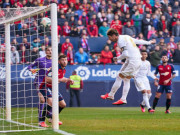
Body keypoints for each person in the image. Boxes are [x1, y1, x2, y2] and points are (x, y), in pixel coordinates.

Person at [101, 28, 155, 105]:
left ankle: (111, 95)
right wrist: (149, 42)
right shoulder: (126, 36)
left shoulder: (120, 41)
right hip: (134, 60)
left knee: (120, 77)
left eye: (110, 37)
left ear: (113, 35)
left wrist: (117, 58)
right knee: (126, 79)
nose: (110, 39)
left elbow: (126, 54)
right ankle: (122, 99)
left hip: (133, 61)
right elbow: (138, 41)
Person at [42, 55, 74, 125]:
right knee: (50, 102)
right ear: (59, 61)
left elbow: (61, 78)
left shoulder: (64, 69)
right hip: (46, 86)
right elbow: (47, 79)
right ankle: (42, 120)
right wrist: (59, 80)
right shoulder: (55, 68)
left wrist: (68, 79)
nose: (64, 61)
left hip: (54, 88)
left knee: (63, 104)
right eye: (63, 60)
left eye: (65, 60)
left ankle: (52, 118)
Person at [27, 46, 52, 127]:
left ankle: (50, 116)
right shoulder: (40, 60)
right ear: (45, 51)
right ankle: (40, 118)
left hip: (48, 82)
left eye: (51, 50)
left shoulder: (55, 62)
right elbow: (29, 67)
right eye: (48, 50)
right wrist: (32, 70)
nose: (50, 51)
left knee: (50, 101)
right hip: (39, 81)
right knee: (42, 99)